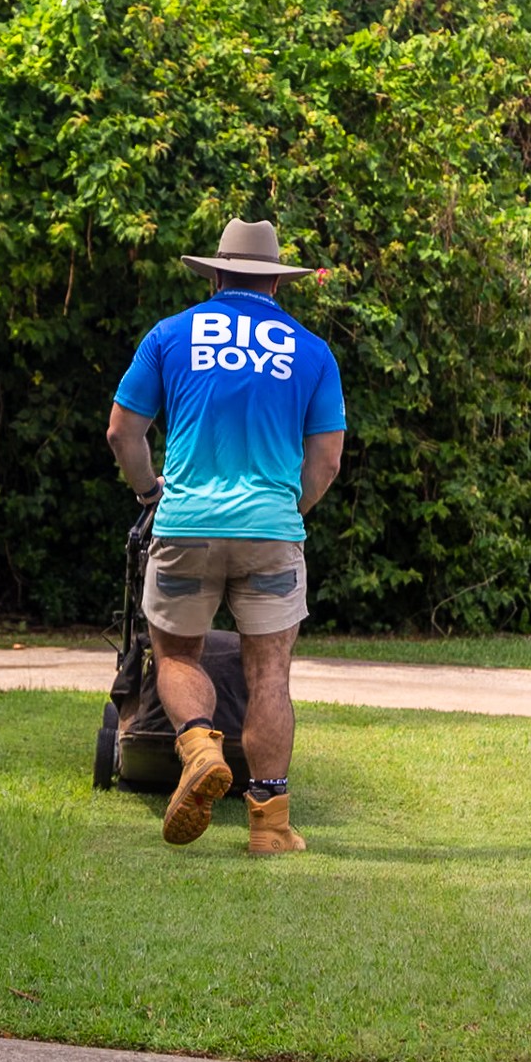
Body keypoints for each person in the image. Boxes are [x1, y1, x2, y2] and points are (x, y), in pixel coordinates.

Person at [105, 218, 346, 854]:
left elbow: (121, 433)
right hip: (270, 530)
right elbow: (326, 460)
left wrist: (149, 491)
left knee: (178, 655)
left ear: (215, 273)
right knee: (270, 675)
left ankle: (198, 747)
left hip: (186, 523)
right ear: (274, 280)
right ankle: (268, 825)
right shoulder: (313, 351)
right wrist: (288, 511)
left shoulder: (170, 335)